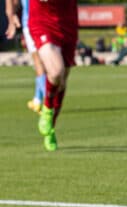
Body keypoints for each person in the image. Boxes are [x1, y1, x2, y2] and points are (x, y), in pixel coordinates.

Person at [26, 0, 78, 152]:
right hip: (42, 20)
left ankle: (51, 128)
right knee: (56, 72)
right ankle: (47, 109)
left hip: (67, 20)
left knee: (62, 81)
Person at [4, 0, 47, 115]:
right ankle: (40, 100)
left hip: (34, 24)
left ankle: (43, 100)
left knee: (40, 63)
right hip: (40, 24)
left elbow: (14, 2)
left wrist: (12, 16)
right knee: (42, 63)